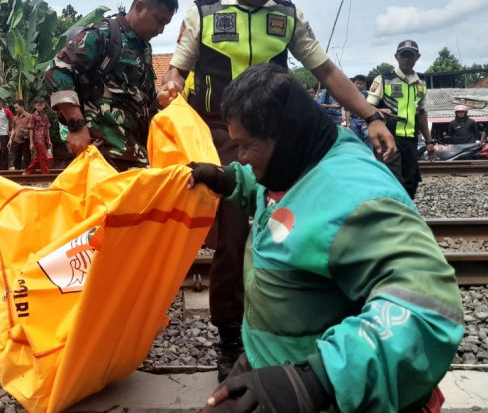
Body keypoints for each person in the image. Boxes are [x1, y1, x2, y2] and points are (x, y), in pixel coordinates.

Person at [157, 0, 396, 380]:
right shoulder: (205, 11)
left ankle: (289, 326)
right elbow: (176, 69)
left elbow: (325, 70)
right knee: (231, 237)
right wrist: (169, 86)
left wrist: (371, 113)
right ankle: (230, 336)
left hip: (279, 136)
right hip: (220, 133)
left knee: (290, 224)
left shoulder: (287, 16)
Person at [187, 63, 463, 412]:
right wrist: (229, 179)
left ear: (285, 135)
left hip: (323, 389)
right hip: (273, 361)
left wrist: (316, 379)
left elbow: (428, 310)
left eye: (245, 147)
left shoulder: (355, 197)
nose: (239, 156)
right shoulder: (295, 159)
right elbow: (271, 194)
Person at [44, 0, 179, 170]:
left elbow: (143, 97)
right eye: (159, 20)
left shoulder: (144, 48)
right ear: (139, 8)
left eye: (166, 24)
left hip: (138, 157)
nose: (161, 30)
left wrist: (162, 97)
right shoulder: (103, 34)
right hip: (103, 158)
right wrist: (76, 125)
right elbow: (56, 70)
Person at [367, 40, 434, 199]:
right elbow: (366, 107)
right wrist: (380, 110)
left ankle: (406, 213)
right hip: (388, 137)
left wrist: (429, 142)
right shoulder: (383, 79)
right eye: (403, 55)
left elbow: (422, 113)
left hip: (411, 140)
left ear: (417, 57)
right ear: (396, 57)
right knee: (391, 180)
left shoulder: (421, 83)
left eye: (410, 55)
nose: (406, 59)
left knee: (411, 182)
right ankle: (391, 217)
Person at [23, 97, 52, 174]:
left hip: (44, 139)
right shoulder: (33, 116)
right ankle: (46, 174)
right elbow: (31, 129)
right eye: (38, 105)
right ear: (35, 106)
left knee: (39, 157)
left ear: (44, 105)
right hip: (37, 139)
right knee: (43, 157)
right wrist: (31, 143)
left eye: (41, 105)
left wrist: (49, 140)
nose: (40, 106)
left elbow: (47, 128)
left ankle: (27, 172)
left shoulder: (45, 116)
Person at [345, 74, 373, 149]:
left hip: (365, 120)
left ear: (364, 84)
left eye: (361, 83)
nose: (359, 85)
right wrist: (347, 125)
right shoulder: (349, 95)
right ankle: (359, 154)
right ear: (353, 83)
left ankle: (369, 154)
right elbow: (347, 111)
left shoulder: (368, 95)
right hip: (354, 120)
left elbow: (371, 109)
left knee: (369, 135)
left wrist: (368, 121)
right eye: (357, 83)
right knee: (356, 139)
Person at [8, 99, 31, 170]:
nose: (15, 109)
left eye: (17, 107)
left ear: (22, 106)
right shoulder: (15, 118)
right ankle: (17, 174)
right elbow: (13, 129)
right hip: (16, 140)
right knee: (16, 159)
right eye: (15, 108)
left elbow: (31, 129)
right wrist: (10, 140)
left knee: (27, 159)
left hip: (26, 140)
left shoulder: (29, 116)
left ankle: (28, 175)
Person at [0, 99, 14, 170]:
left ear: (0, 102)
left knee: (3, 152)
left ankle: (4, 170)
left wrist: (11, 130)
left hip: (4, 135)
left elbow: (13, 121)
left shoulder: (6, 111)